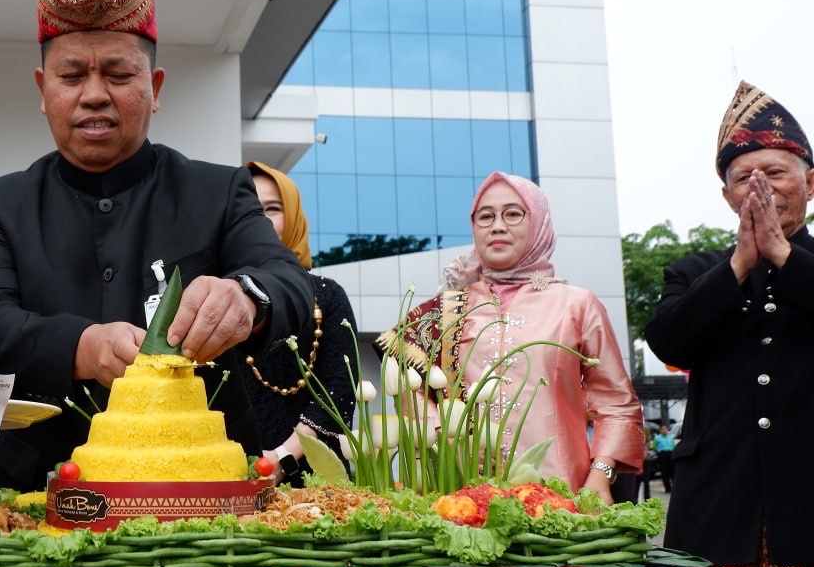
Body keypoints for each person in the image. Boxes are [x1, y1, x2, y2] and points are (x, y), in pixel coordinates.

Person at [0, 0, 311, 490]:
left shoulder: (218, 190)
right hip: (35, 487)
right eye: (71, 75)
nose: (94, 93)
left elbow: (288, 281)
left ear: (155, 86)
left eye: (119, 75)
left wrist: (246, 298)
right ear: (43, 90)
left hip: (202, 489)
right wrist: (82, 346)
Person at [644, 80, 814, 567]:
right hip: (720, 499)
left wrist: (783, 256)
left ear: (810, 184)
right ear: (725, 196)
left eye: (776, 172)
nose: (760, 188)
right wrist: (743, 263)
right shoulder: (695, 271)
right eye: (745, 178)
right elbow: (668, 338)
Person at [377, 172, 645, 502]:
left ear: (539, 222)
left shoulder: (577, 304)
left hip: (562, 496)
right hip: (464, 498)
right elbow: (405, 379)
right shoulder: (449, 306)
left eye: (513, 214)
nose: (498, 226)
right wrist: (437, 428)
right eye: (485, 216)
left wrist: (600, 476)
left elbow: (616, 402)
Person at [244, 161, 358, 483]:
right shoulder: (214, 301)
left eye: (272, 208)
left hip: (317, 483)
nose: (261, 219)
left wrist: (281, 459)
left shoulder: (327, 297)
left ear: (292, 217)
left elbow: (338, 392)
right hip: (232, 481)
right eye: (249, 208)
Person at [651, 423, 675, 492]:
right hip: (663, 454)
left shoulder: (671, 437)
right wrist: (658, 453)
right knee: (664, 472)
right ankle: (668, 488)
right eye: (663, 429)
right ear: (660, 430)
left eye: (666, 429)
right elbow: (653, 447)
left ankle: (674, 487)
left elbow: (673, 446)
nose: (664, 430)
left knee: (673, 471)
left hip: (671, 454)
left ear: (668, 430)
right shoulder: (657, 438)